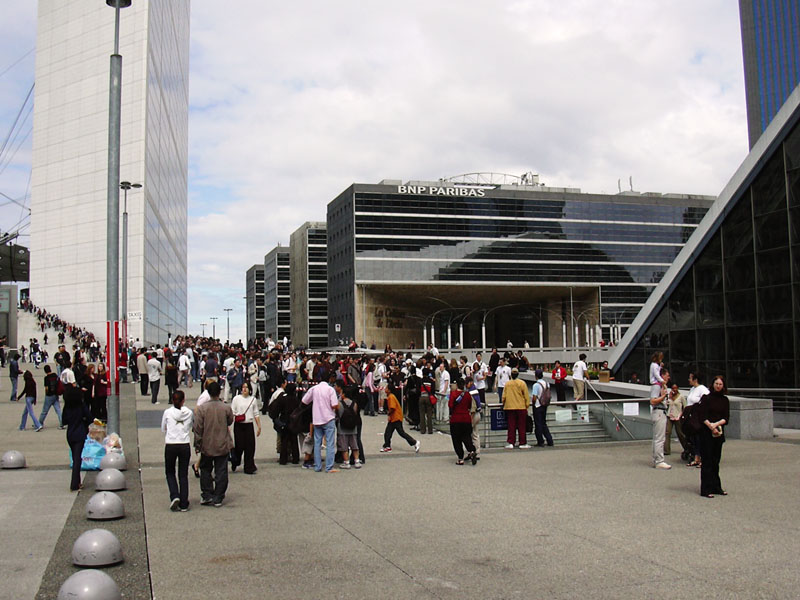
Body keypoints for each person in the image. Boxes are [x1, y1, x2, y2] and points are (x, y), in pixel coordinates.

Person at [193, 381, 234, 506]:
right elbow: (230, 421)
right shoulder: (226, 407)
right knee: (221, 470)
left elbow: (198, 428)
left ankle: (207, 494)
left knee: (206, 469)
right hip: (222, 442)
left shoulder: (202, 409)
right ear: (219, 392)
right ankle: (218, 495)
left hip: (207, 443)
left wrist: (197, 444)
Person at [696, 375, 730, 498]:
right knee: (707, 461)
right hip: (707, 433)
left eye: (720, 384)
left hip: (719, 433)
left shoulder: (725, 400)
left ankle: (716, 486)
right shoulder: (706, 398)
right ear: (712, 384)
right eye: (716, 383)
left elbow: (726, 418)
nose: (718, 386)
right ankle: (705, 488)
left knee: (716, 461)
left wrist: (717, 425)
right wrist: (711, 426)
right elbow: (702, 416)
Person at [162, 390, 193, 511]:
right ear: (183, 400)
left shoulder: (168, 412)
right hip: (184, 443)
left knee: (170, 471)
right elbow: (190, 426)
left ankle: (174, 495)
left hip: (171, 443)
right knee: (183, 474)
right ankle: (184, 502)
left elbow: (163, 427)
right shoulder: (189, 413)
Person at [302, 376, 340, 473]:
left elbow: (305, 400)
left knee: (317, 443)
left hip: (317, 419)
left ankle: (318, 466)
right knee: (330, 443)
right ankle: (329, 467)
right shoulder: (330, 389)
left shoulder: (314, 389)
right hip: (328, 418)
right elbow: (334, 404)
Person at [62, 370, 92, 491]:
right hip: (80, 432)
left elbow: (64, 420)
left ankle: (77, 482)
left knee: (75, 457)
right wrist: (84, 422)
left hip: (70, 433)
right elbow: (89, 417)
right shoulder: (81, 406)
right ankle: (75, 483)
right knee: (77, 458)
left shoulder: (67, 407)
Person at [380, 382, 420, 454]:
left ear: (389, 390)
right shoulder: (391, 396)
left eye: (386, 388)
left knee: (398, 432)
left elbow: (392, 408)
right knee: (389, 432)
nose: (385, 389)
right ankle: (387, 445)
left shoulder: (391, 397)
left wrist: (389, 413)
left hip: (396, 418)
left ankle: (414, 442)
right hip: (394, 418)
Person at [230, 382, 261, 474]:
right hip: (239, 424)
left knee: (250, 446)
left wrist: (259, 426)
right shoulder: (236, 399)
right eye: (243, 387)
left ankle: (249, 466)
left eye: (246, 387)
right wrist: (229, 425)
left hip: (249, 424)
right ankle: (235, 460)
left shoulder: (253, 399)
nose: (244, 389)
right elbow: (232, 412)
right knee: (239, 446)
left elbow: (256, 413)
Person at [449, 378, 477, 465]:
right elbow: (469, 406)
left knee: (456, 440)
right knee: (467, 437)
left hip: (456, 419)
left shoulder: (453, 394)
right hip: (466, 419)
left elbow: (450, 405)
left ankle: (460, 458)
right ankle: (471, 450)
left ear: (456, 385)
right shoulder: (468, 395)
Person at [650, 360, 671, 470]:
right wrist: (663, 397)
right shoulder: (657, 386)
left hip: (660, 411)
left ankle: (657, 458)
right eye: (667, 375)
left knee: (658, 437)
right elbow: (652, 401)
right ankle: (659, 460)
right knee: (659, 438)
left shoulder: (660, 386)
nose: (668, 377)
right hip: (659, 411)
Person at [685, 371, 710, 467]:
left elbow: (706, 402)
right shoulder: (692, 389)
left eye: (690, 378)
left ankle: (703, 459)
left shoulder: (702, 389)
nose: (688, 380)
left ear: (695, 379)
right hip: (691, 416)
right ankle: (696, 457)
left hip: (698, 416)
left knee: (700, 438)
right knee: (693, 438)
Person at [334, 381, 361, 469]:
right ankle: (357, 461)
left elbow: (336, 413)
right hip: (353, 427)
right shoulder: (354, 404)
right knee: (354, 444)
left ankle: (346, 462)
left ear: (344, 394)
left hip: (342, 427)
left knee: (344, 446)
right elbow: (355, 414)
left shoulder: (339, 404)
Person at [501, 368, 530, 449]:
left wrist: (504, 404)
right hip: (521, 407)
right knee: (521, 426)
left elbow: (503, 396)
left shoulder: (507, 384)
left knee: (511, 426)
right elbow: (526, 396)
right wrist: (527, 405)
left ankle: (511, 442)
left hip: (510, 407)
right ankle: (522, 442)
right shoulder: (522, 383)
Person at [531, 369, 554, 447]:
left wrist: (533, 404)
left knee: (538, 424)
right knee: (543, 423)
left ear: (536, 376)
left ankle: (540, 441)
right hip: (545, 405)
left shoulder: (536, 385)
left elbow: (534, 397)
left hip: (538, 405)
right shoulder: (547, 384)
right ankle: (549, 440)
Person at [39, 364, 64, 429]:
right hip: (55, 395)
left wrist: (46, 393)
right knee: (58, 410)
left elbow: (46, 388)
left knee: (45, 411)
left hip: (49, 395)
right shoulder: (55, 375)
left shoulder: (46, 378)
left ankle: (40, 423)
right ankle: (62, 423)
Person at [664, 383, 686, 457]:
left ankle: (686, 448)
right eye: (673, 388)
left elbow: (685, 406)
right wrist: (669, 397)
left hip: (678, 416)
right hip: (669, 415)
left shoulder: (681, 397)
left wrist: (683, 415)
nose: (674, 390)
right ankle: (666, 450)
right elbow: (666, 405)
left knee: (680, 433)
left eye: (676, 388)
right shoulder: (669, 396)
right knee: (667, 432)